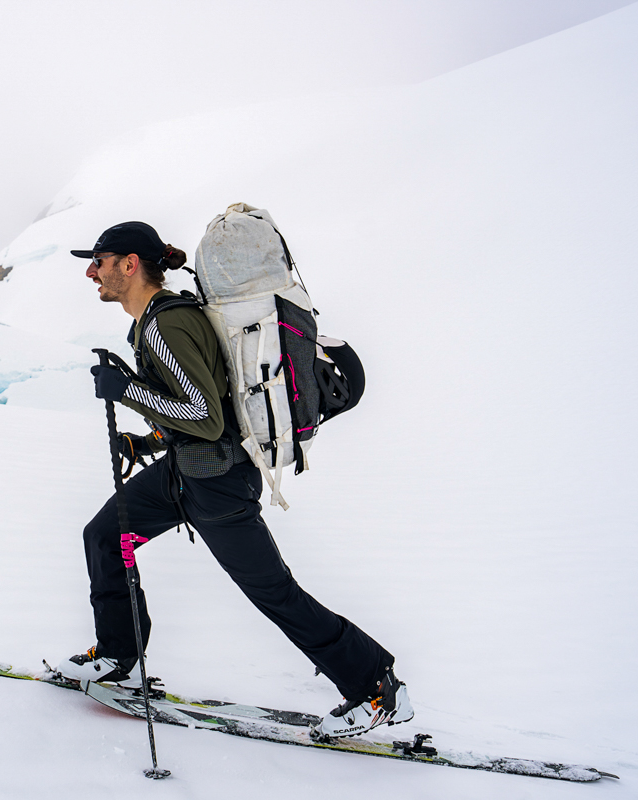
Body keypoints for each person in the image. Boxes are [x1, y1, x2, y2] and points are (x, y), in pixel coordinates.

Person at [54, 221, 413, 737]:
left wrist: (126, 390)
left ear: (130, 264)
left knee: (274, 593)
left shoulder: (165, 324)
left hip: (218, 486)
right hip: (185, 472)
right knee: (104, 537)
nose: (93, 272)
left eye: (100, 261)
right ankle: (116, 656)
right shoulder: (157, 320)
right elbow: (212, 403)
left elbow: (204, 415)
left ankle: (376, 686)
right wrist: (149, 442)